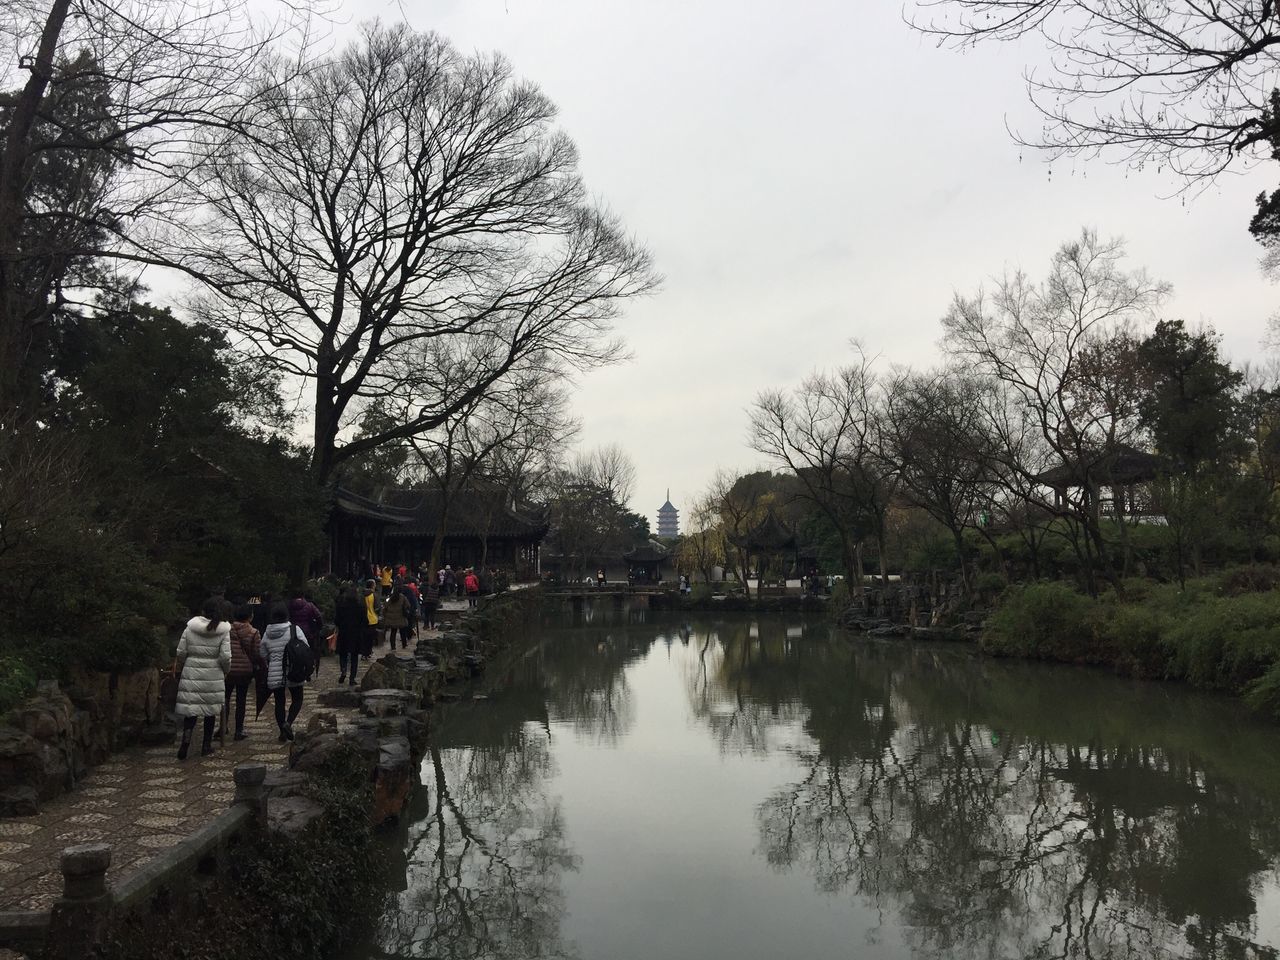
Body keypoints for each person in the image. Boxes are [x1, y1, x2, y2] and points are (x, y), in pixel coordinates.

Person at [174, 597, 232, 760]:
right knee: (210, 711)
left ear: (203, 611)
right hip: (213, 673)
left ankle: (185, 743)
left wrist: (184, 664)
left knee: (191, 711)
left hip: (191, 671)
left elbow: (180, 651)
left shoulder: (190, 628)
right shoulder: (223, 630)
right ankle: (206, 746)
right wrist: (225, 671)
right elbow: (225, 657)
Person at [260, 601, 307, 741]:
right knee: (297, 698)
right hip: (293, 670)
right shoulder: (294, 629)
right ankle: (289, 723)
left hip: (275, 672)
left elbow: (262, 653)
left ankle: (282, 731)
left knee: (279, 702)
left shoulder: (267, 632)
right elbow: (306, 647)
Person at [222, 604, 262, 741]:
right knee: (241, 700)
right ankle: (238, 730)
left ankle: (222, 726)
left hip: (227, 670)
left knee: (225, 699)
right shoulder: (254, 632)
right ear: (250, 616)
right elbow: (257, 653)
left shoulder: (226, 629)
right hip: (245, 670)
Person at [333, 586, 365, 687]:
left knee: (343, 653)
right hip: (356, 633)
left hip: (344, 632)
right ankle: (352, 678)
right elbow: (364, 620)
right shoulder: (360, 606)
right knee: (354, 657)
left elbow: (336, 620)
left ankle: (343, 670)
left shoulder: (341, 605)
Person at [288, 589, 325, 674]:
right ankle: (308, 670)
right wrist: (319, 627)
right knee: (308, 652)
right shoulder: (309, 606)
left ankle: (294, 669)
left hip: (292, 632)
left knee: (293, 651)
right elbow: (318, 616)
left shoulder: (289, 605)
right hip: (308, 632)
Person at [361, 580, 379, 659]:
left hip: (363, 619)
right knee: (370, 638)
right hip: (373, 619)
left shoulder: (362, 595)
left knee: (364, 637)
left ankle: (363, 653)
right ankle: (368, 652)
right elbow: (377, 607)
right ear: (372, 586)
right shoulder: (374, 595)